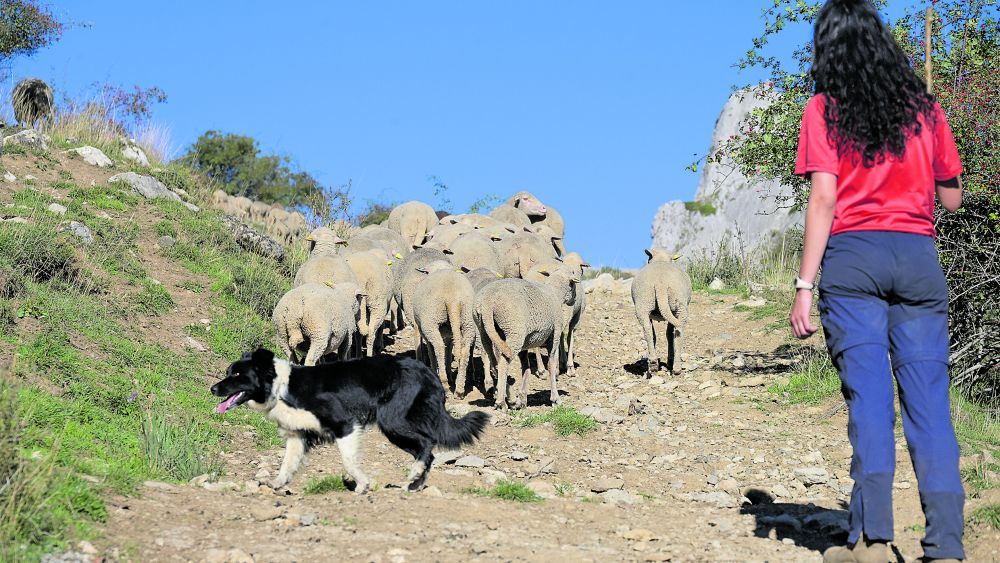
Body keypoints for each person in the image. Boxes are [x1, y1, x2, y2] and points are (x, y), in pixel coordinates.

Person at [788, 1, 965, 562]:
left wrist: (803, 286)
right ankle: (946, 547)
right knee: (930, 406)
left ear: (828, 48)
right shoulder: (925, 109)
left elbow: (823, 198)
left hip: (854, 262)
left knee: (870, 400)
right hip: (918, 261)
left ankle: (872, 539)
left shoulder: (824, 110)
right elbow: (952, 196)